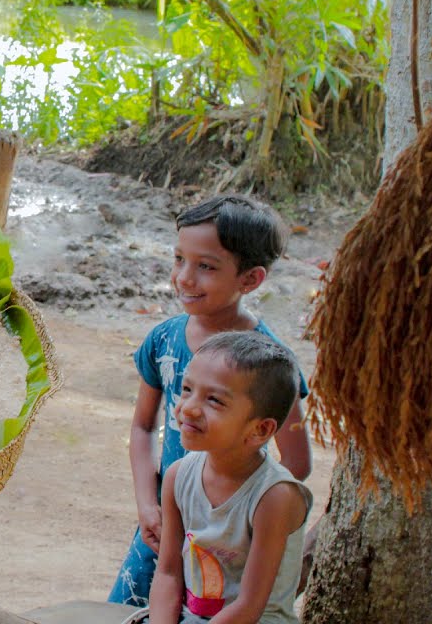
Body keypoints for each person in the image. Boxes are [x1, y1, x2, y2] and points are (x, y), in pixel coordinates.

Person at [108, 195, 312, 607]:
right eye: (179, 259)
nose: (184, 277)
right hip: (165, 524)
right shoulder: (164, 339)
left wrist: (233, 516)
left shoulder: (270, 363)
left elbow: (297, 463)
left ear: (250, 280)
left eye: (205, 267)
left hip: (226, 541)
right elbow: (144, 426)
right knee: (130, 611)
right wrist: (148, 505)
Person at [148, 331, 313, 624]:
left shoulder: (274, 497)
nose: (188, 407)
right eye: (187, 389)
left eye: (214, 400)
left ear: (260, 430)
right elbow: (167, 573)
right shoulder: (178, 477)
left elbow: (250, 606)